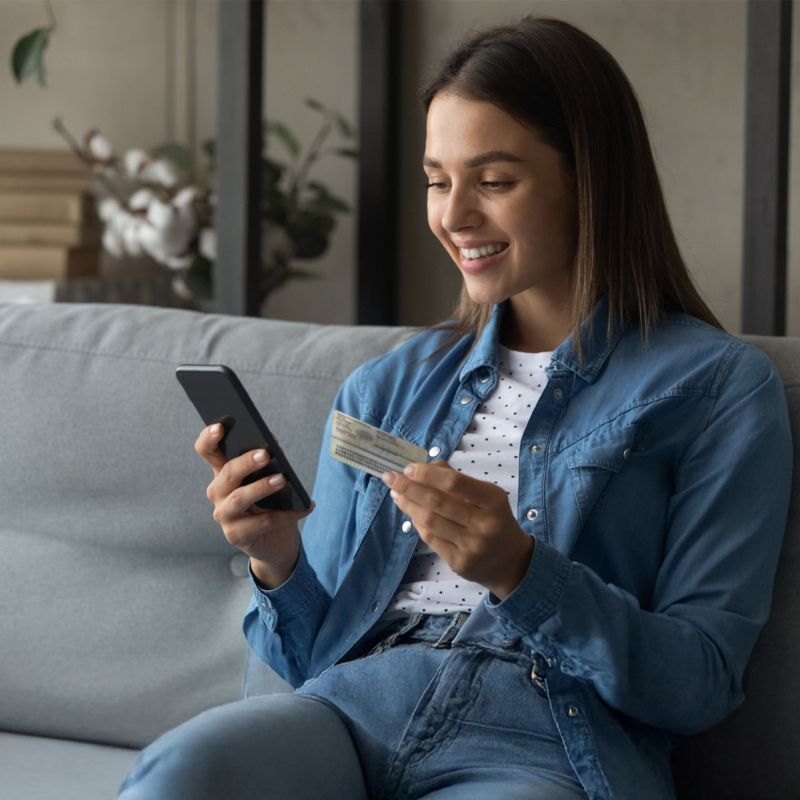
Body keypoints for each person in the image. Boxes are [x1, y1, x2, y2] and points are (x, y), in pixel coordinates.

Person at [118, 14, 793, 800]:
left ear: (591, 179)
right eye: (439, 180)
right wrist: (276, 559)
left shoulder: (715, 388)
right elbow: (311, 662)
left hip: (539, 739)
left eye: (495, 181)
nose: (454, 215)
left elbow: (699, 683)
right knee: (181, 772)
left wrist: (523, 572)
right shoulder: (382, 390)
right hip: (351, 711)